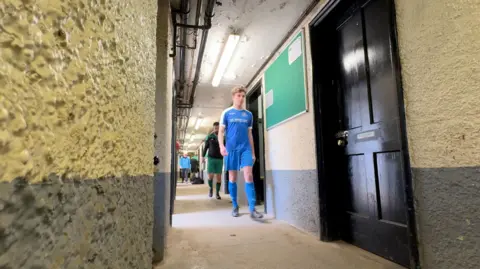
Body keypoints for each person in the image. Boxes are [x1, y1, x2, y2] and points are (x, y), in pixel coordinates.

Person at [218, 86, 263, 219]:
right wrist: (221, 146)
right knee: (232, 178)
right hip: (231, 149)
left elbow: (250, 135)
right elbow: (221, 132)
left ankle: (252, 208)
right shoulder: (227, 113)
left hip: (245, 149)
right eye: (239, 96)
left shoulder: (248, 115)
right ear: (233, 97)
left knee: (248, 176)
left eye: (243, 96)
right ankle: (235, 206)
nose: (241, 98)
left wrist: (253, 153)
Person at [202, 122, 223, 200]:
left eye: (218, 128)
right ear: (213, 128)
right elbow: (206, 147)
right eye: (215, 128)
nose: (216, 130)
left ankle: (217, 193)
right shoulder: (209, 136)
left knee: (218, 177)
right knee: (210, 176)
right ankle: (210, 188)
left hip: (220, 159)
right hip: (211, 158)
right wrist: (202, 157)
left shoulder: (223, 136)